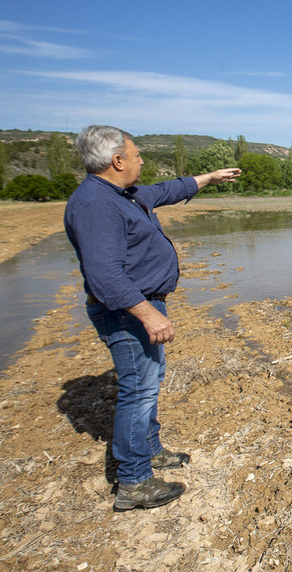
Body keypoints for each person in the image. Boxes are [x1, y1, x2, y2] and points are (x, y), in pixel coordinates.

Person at [64, 125, 241, 511]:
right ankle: (133, 481)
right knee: (138, 389)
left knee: (148, 382)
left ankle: (149, 450)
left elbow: (166, 191)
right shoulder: (97, 205)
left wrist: (208, 178)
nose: (142, 159)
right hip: (126, 311)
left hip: (139, 305)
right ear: (117, 160)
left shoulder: (120, 194)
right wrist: (147, 313)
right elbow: (104, 275)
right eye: (138, 153)